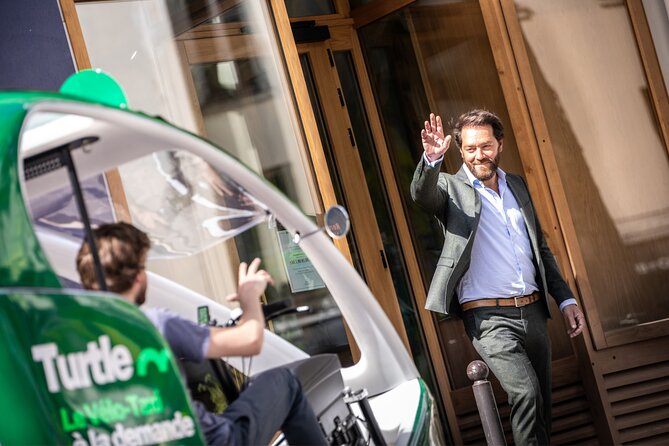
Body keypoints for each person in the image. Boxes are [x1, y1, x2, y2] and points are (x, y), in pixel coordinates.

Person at [411, 110, 585, 445]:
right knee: (527, 393)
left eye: (486, 146)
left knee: (542, 406)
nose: (479, 155)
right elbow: (422, 194)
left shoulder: (516, 184)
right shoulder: (449, 187)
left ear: (499, 144)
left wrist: (565, 299)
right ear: (460, 151)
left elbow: (540, 249)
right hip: (488, 318)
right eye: (471, 148)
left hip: (533, 312)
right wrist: (432, 158)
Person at [76, 222, 326, 446]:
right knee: (285, 382)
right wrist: (250, 297)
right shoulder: (154, 326)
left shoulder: (76, 344)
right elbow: (250, 340)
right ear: (139, 276)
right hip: (217, 441)